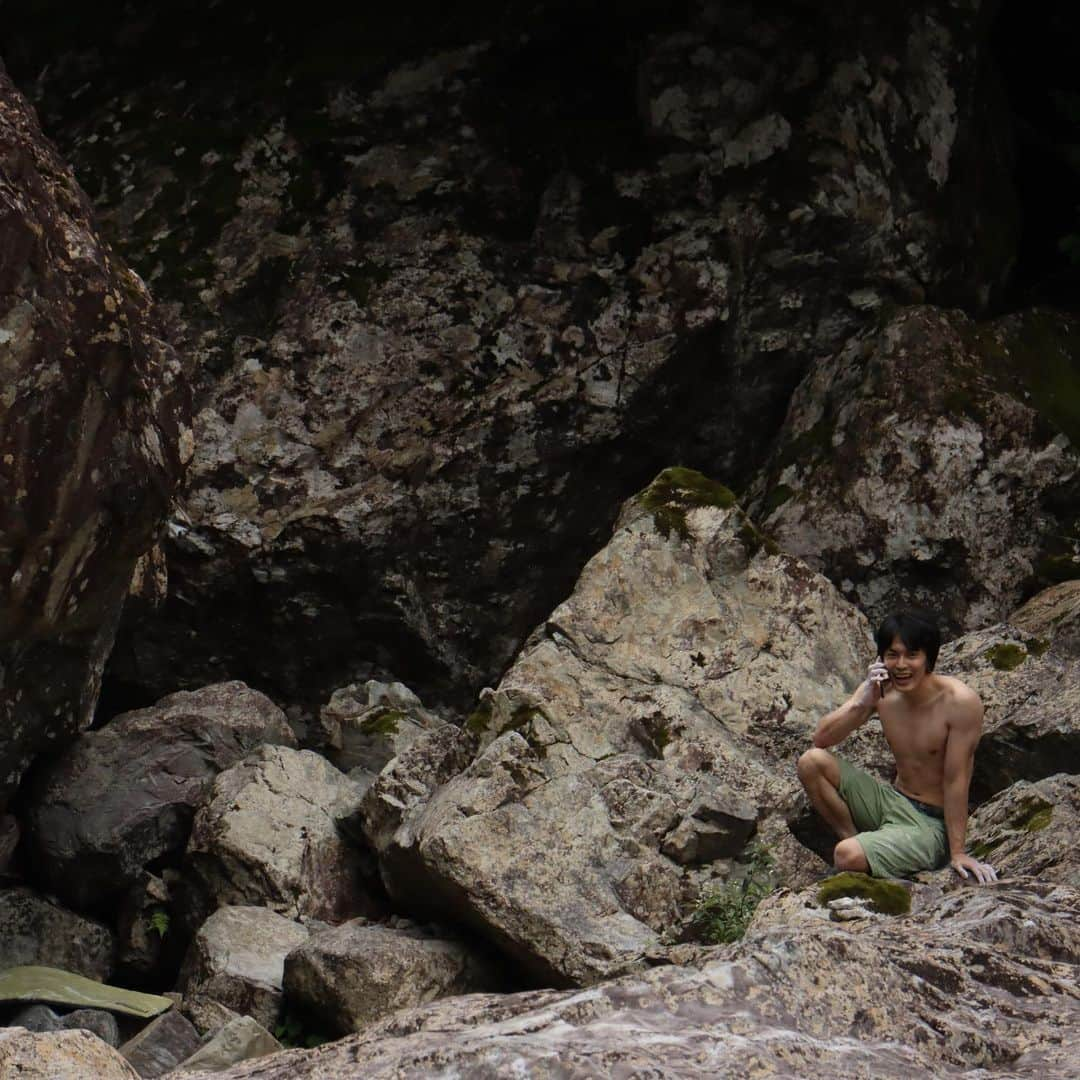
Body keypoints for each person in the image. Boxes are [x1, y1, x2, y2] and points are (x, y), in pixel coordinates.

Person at [797, 610, 997, 883]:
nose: (901, 665)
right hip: (892, 802)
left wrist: (958, 852)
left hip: (930, 825)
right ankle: (860, 842)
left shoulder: (960, 703)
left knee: (845, 855)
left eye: (912, 655)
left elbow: (956, 780)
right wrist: (862, 701)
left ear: (928, 658)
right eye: (892, 655)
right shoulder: (881, 691)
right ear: (882, 658)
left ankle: (862, 852)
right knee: (811, 761)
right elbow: (822, 739)